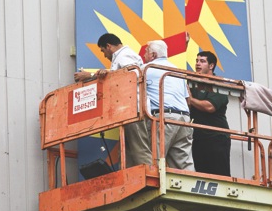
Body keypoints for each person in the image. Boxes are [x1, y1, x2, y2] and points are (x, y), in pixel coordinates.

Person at [74, 33, 151, 167]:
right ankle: (132, 181)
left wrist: (91, 75)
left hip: (135, 108)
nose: (104, 55)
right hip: (128, 110)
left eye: (103, 51)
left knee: (140, 149)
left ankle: (150, 175)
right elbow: (120, 75)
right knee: (127, 152)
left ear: (108, 46)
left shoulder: (125, 55)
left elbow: (132, 75)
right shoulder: (121, 57)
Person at [144, 40, 194, 171]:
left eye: (145, 52)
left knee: (154, 161)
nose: (144, 56)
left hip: (164, 118)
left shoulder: (147, 69)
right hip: (185, 119)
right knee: (183, 164)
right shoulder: (177, 71)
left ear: (153, 55)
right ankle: (188, 188)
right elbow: (188, 100)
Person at [189, 51, 231, 176]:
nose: (197, 64)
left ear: (211, 66)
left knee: (219, 176)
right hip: (198, 138)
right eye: (197, 61)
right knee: (201, 175)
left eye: (202, 61)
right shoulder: (192, 84)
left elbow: (209, 107)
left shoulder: (219, 85)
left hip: (217, 138)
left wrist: (190, 99)